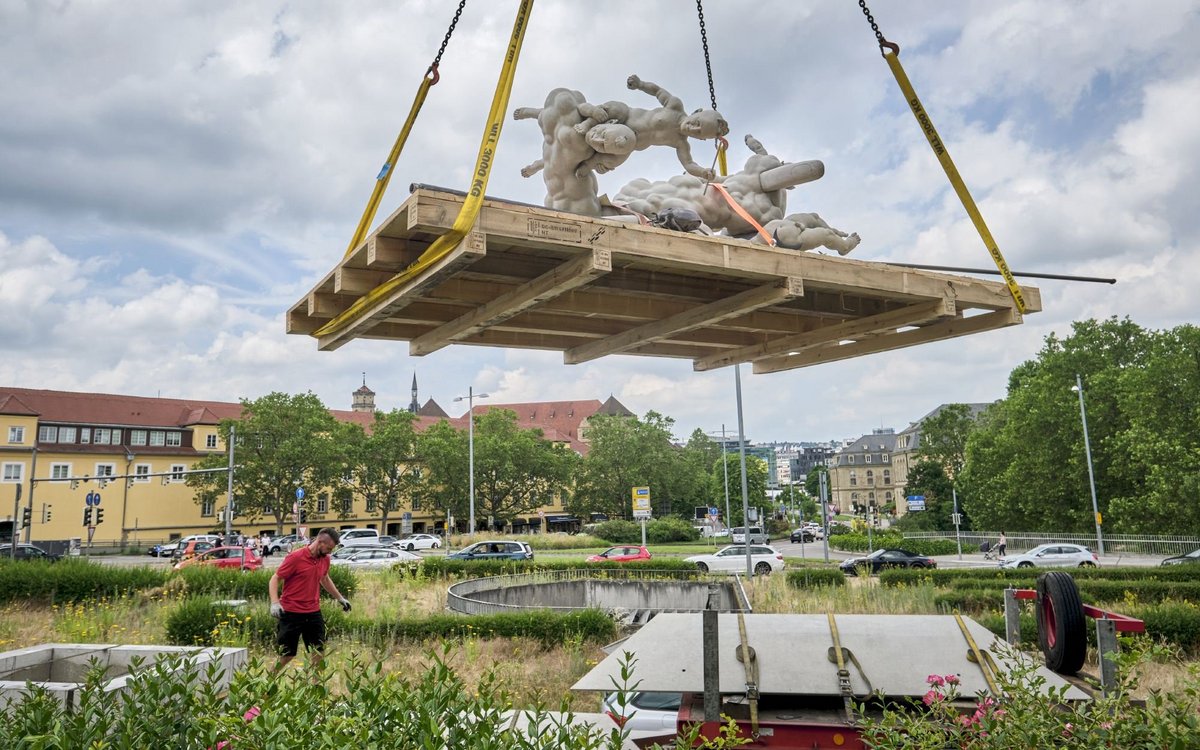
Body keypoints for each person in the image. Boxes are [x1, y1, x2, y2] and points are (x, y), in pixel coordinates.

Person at [268, 527, 351, 671]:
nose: (330, 552)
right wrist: (275, 603)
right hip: (291, 612)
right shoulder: (296, 557)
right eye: (329, 548)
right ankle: (266, 687)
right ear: (320, 542)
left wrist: (340, 598)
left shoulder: (325, 559)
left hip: (313, 612)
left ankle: (315, 689)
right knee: (287, 655)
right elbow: (275, 579)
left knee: (319, 652)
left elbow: (324, 578)